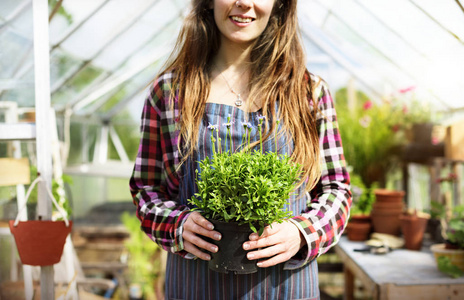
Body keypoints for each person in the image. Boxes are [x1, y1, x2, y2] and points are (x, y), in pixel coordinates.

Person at [129, 0, 351, 299]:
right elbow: (146, 187)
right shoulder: (170, 93)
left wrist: (302, 233)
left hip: (285, 288)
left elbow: (336, 188)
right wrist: (177, 225)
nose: (244, 3)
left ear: (280, 4)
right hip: (197, 286)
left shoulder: (307, 91)